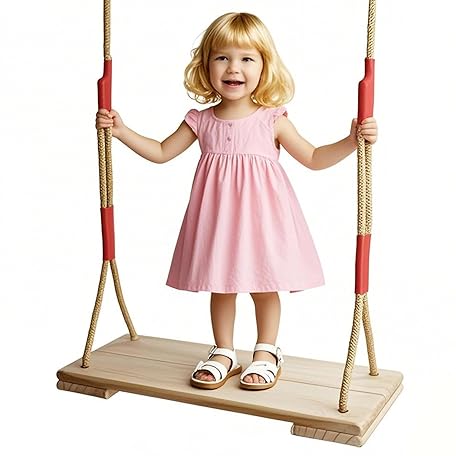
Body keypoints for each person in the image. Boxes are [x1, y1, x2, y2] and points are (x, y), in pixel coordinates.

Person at [95, 12, 378, 391]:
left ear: (264, 66)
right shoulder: (201, 120)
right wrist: (121, 131)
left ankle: (267, 351)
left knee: (264, 284)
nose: (233, 67)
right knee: (222, 284)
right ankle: (224, 351)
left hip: (262, 221)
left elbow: (313, 158)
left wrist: (351, 141)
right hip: (218, 221)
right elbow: (161, 152)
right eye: (222, 57)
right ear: (206, 65)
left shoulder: (272, 120)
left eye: (247, 58)